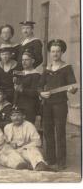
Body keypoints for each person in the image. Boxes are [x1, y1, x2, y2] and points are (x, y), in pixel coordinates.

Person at [38, 39, 77, 171]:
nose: (55, 54)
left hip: (60, 104)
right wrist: (41, 93)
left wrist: (72, 89)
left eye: (58, 51)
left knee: (60, 132)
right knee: (48, 132)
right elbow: (39, 86)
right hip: (47, 104)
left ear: (62, 52)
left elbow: (73, 86)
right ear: (50, 53)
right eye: (53, 51)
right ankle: (50, 159)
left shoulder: (66, 68)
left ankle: (61, 162)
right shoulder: (47, 69)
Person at [13, 49, 41, 123]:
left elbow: (35, 92)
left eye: (26, 60)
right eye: (22, 60)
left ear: (33, 61)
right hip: (18, 106)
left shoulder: (36, 75)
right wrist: (15, 103)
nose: (24, 62)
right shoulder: (20, 73)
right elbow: (16, 90)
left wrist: (22, 90)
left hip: (30, 107)